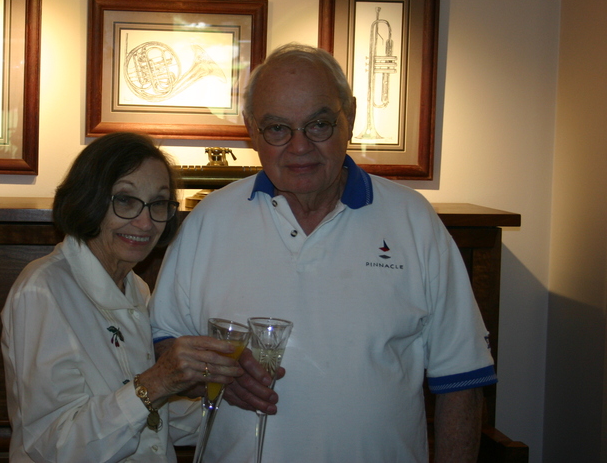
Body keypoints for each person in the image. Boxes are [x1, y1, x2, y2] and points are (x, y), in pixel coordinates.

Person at [150, 44, 497, 462]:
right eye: (277, 128)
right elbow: (163, 342)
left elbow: (462, 379)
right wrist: (213, 374)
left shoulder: (414, 221)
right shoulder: (209, 220)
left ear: (350, 117)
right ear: (251, 130)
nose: (300, 147)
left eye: (318, 124)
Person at [1, 132, 244, 463]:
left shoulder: (137, 288)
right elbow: (56, 444)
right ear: (88, 200)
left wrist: (232, 401)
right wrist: (158, 382)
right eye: (126, 200)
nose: (145, 223)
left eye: (158, 203)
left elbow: (151, 423)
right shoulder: (43, 290)